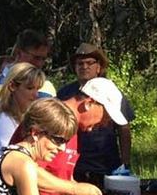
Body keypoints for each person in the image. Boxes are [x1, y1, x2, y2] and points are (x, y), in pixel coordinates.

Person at [0, 30, 50, 188]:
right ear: (19, 53)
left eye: (43, 59)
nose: (39, 63)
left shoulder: (46, 86)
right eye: (35, 57)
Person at [56, 43, 134, 184]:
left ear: (99, 67)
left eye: (89, 63)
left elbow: (124, 128)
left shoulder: (111, 93)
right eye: (80, 63)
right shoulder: (64, 94)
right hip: (73, 165)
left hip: (106, 163)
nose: (84, 67)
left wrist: (126, 163)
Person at [0, 62, 48, 170]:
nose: (36, 95)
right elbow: (11, 162)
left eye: (38, 89)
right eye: (30, 88)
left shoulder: (21, 118)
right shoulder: (4, 119)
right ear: (12, 86)